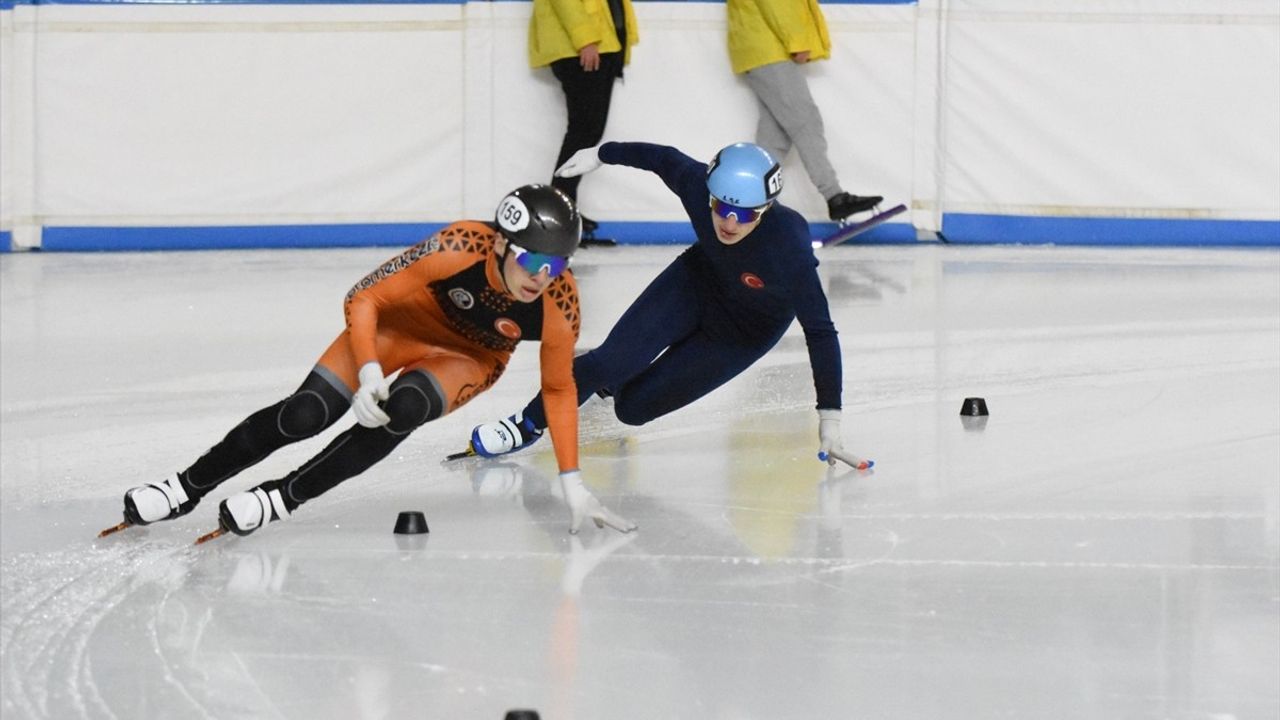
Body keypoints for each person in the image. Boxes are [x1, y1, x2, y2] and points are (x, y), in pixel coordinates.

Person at [109, 185, 636, 540]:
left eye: (558, 263)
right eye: (532, 260)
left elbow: (561, 390)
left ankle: (281, 499)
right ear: (499, 242)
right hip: (395, 329)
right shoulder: (458, 244)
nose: (543, 276)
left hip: (467, 357)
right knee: (305, 414)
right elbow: (364, 297)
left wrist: (572, 481)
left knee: (404, 408)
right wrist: (365, 373)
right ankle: (185, 488)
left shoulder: (559, 302)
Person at [465, 141, 869, 471]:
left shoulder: (788, 247)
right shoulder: (697, 186)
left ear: (765, 210)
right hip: (696, 284)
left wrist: (829, 418)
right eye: (720, 207)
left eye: (743, 214)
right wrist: (601, 154)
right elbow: (663, 159)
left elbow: (820, 332)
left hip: (743, 334)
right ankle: (526, 423)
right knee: (606, 363)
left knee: (632, 410)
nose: (728, 222)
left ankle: (618, 373)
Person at [726, 0, 882, 222]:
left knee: (775, 138)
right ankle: (835, 197)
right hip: (769, 49)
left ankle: (749, 207)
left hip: (758, 47)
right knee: (805, 123)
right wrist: (797, 41)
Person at [530, 0, 639, 239]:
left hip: (602, 46)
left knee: (587, 133)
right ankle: (558, 214)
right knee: (583, 131)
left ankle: (564, 210)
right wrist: (585, 39)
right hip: (583, 48)